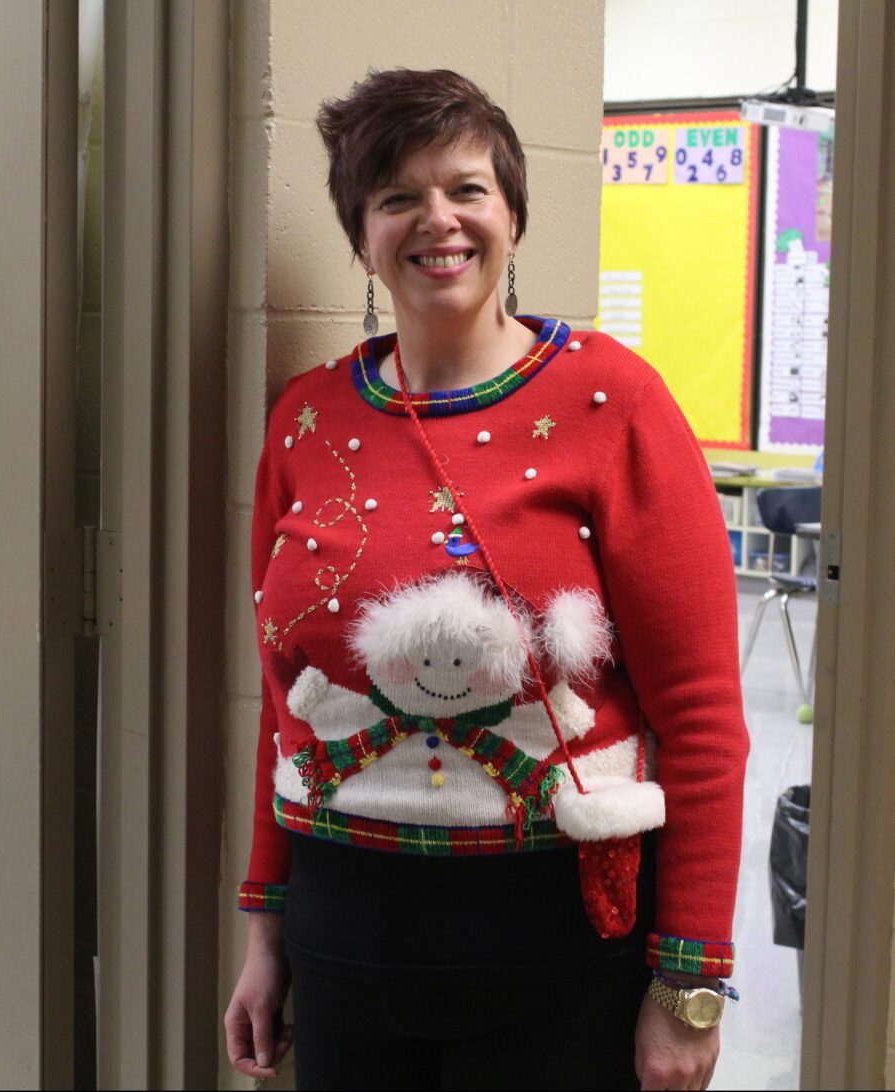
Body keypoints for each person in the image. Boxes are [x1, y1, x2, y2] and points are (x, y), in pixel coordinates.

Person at [225, 68, 749, 1092]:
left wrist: (688, 982)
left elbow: (700, 715)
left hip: (557, 947)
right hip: (342, 942)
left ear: (512, 214)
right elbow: (283, 707)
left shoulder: (613, 401)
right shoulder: (306, 417)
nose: (438, 220)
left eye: (467, 188)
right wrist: (266, 932)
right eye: (396, 197)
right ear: (361, 237)